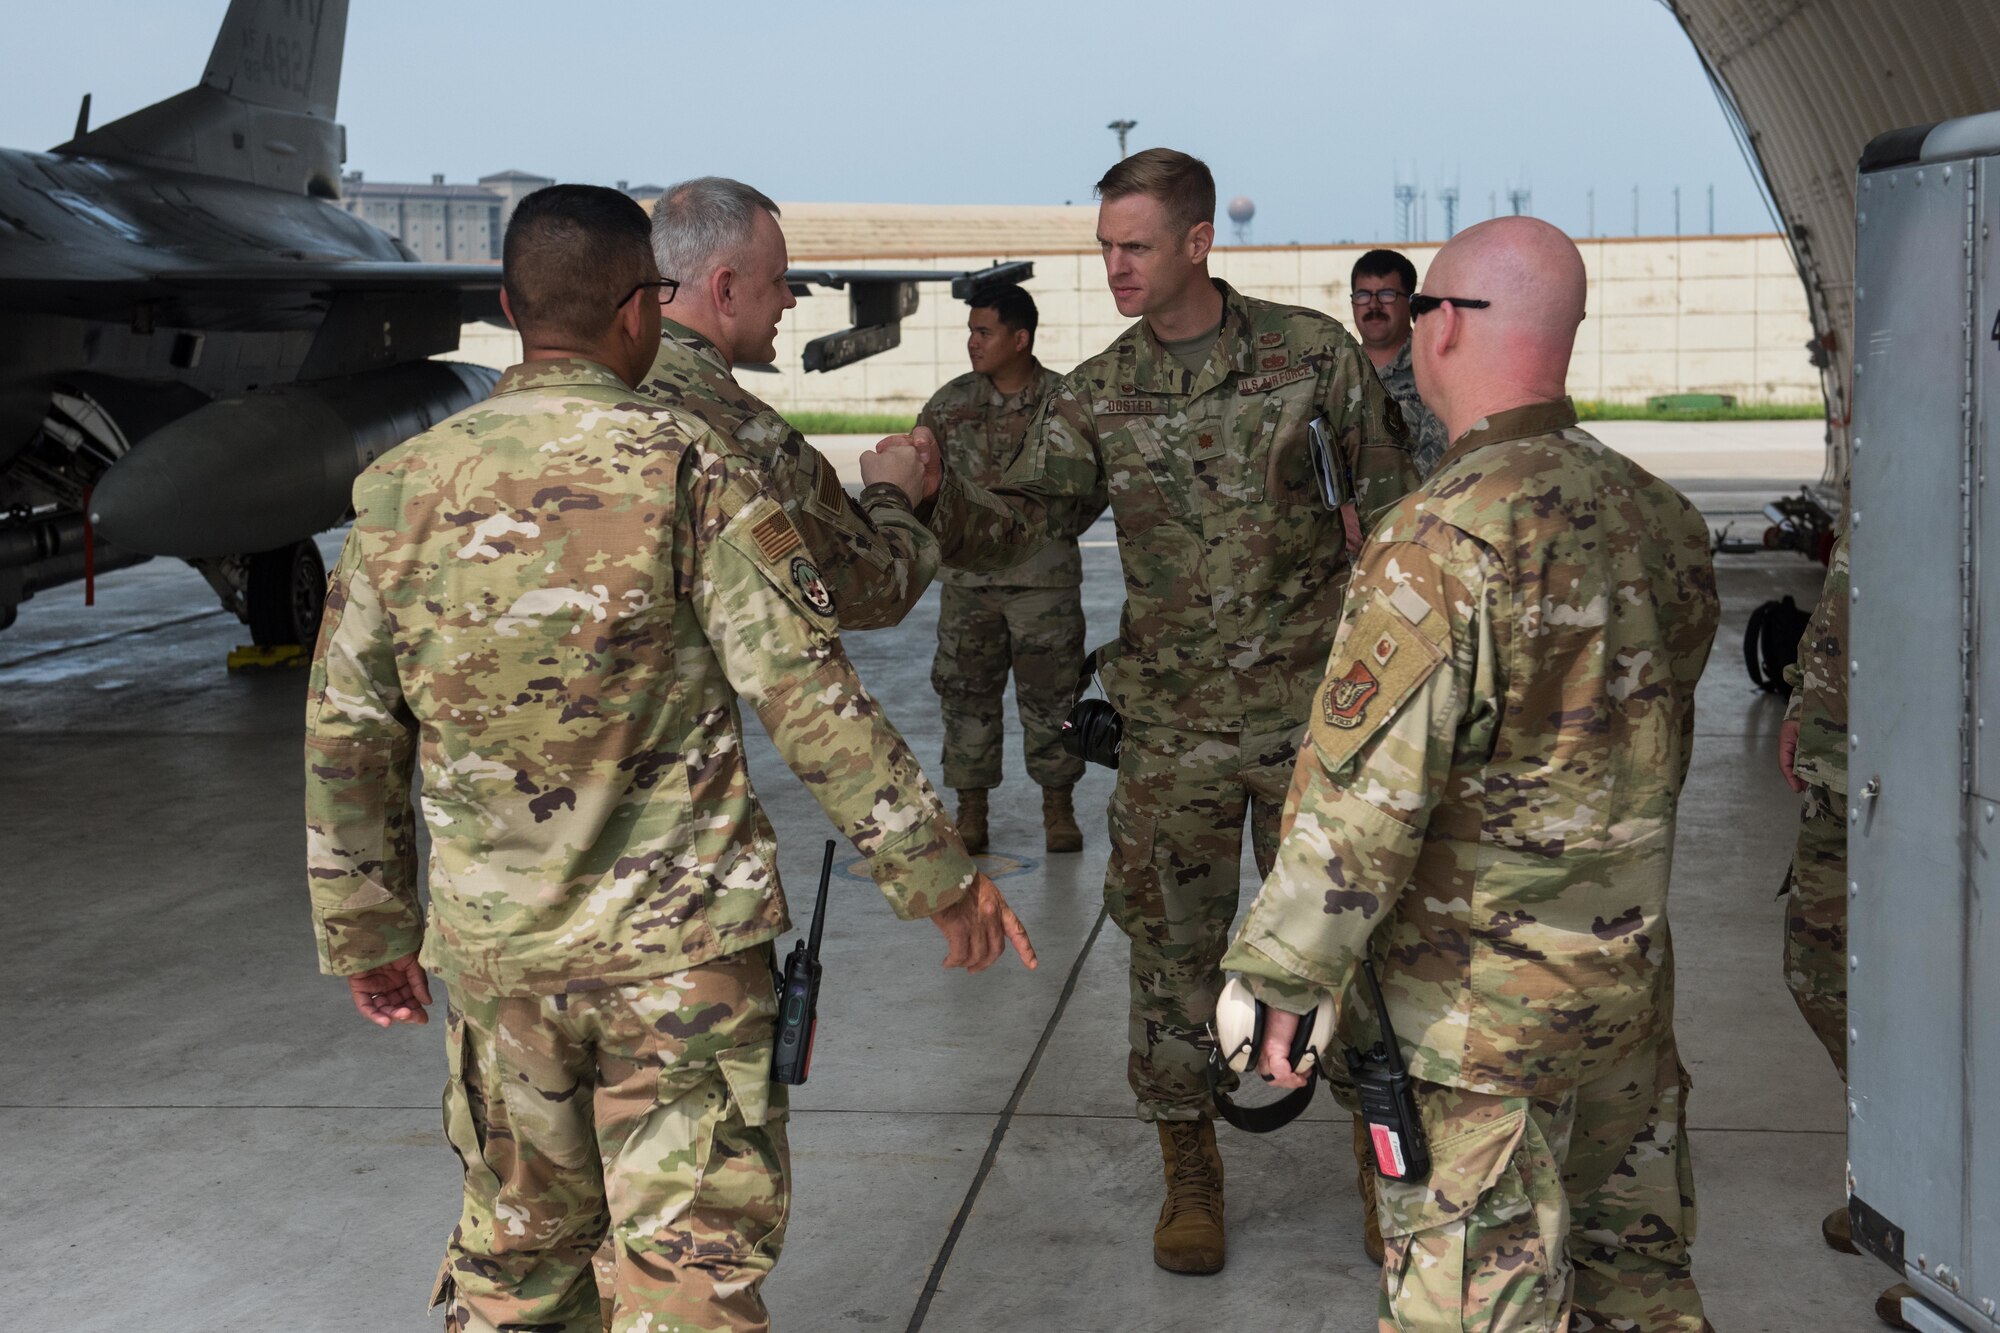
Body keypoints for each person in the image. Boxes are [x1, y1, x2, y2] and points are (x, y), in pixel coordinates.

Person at [302, 184, 1034, 1333]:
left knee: (518, 1264)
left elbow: (347, 733)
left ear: (505, 307)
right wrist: (939, 878)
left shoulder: (400, 490)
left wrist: (369, 931)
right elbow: (807, 696)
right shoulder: (687, 465)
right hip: (681, 961)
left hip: (498, 966)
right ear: (643, 312)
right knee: (687, 1277)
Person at [877, 147, 1416, 1274]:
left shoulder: (1307, 356)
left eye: (1132, 247)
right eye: (1104, 248)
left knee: (1348, 953)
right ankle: (1188, 1170)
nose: (1113, 268)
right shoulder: (1097, 392)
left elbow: (1394, 511)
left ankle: (1382, 1168)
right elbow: (1027, 521)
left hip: (1313, 721)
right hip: (1171, 730)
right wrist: (933, 497)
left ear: (1196, 243)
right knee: (1168, 958)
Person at [1222, 216, 1719, 1332]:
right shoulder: (1659, 516)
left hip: (1475, 1031)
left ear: (1442, 327)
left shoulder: (1441, 540)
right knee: (1634, 1286)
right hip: (1622, 1001)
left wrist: (1281, 980)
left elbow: (1364, 807)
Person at [640, 176, 938, 632]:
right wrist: (893, 493)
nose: (789, 299)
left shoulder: (599, 391)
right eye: (778, 280)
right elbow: (876, 593)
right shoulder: (750, 435)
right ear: (725, 290)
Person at [1777, 531, 1915, 1329]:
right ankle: (1895, 1183)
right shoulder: (1885, 447)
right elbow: (1847, 588)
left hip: (1912, 770)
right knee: (1818, 972)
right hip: (1841, 769)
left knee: (1930, 1005)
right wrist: (1803, 700)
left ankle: (1948, 1229)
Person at [917, 284, 1104, 854]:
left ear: (1019, 339)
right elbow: (921, 479)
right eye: (971, 332)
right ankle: (971, 813)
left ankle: (1058, 810)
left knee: (1052, 697)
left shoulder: (1064, 402)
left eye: (984, 332)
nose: (972, 343)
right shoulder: (949, 406)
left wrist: (1056, 530)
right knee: (966, 694)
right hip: (969, 584)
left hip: (1041, 584)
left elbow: (1095, 482)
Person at [1350, 248, 1451, 477]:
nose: (1373, 306)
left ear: (1410, 303)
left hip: (1414, 509)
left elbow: (1436, 465)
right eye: (1363, 295)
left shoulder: (1435, 368)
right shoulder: (1333, 373)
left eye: (1386, 294)